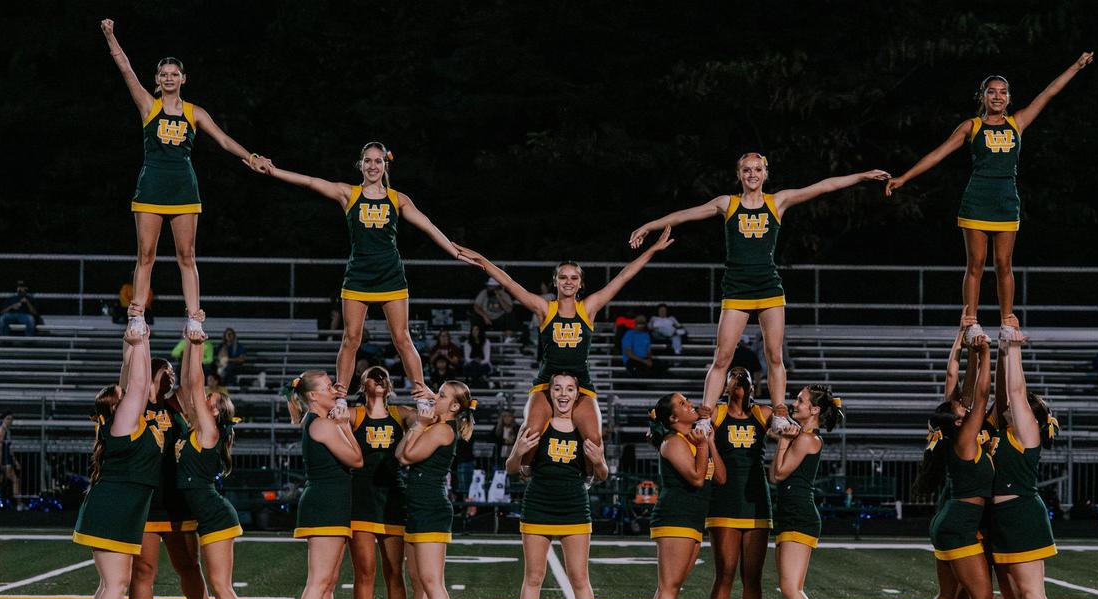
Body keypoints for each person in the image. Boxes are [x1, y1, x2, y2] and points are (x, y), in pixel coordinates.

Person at [630, 156, 890, 436]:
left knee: (774, 355)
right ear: (739, 174)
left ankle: (779, 413)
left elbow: (824, 186)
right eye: (746, 169)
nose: (752, 174)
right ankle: (705, 416)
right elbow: (685, 214)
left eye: (757, 169)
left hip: (768, 288)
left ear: (765, 173)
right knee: (722, 357)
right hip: (737, 289)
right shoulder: (726, 204)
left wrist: (862, 176)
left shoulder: (777, 201)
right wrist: (650, 225)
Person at [886, 53, 1095, 337]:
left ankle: (1007, 317)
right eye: (991, 92)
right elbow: (938, 153)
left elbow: (1049, 92)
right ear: (982, 97)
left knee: (1003, 264)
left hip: (1006, 202)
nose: (998, 96)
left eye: (1003, 92)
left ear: (1009, 98)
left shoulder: (1017, 123)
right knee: (976, 263)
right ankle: (970, 317)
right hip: (977, 201)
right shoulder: (971, 126)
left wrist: (1075, 66)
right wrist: (904, 178)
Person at [263, 142, 468, 418]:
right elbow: (311, 182)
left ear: (386, 165)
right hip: (358, 277)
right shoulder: (349, 194)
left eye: (378, 161)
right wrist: (274, 171)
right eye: (368, 161)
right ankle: (340, 396)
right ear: (361, 164)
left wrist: (454, 251)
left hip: (391, 276)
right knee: (351, 338)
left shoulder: (398, 199)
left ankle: (421, 394)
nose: (373, 166)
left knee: (402, 338)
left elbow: (428, 224)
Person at [456, 228, 674, 480]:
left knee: (594, 440)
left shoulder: (588, 308)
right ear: (555, 281)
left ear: (580, 283)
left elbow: (623, 277)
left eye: (573, 278)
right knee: (531, 432)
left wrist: (652, 250)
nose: (568, 281)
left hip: (581, 383)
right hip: (547, 381)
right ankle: (529, 474)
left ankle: (584, 479)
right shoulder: (544, 308)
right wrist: (481, 260)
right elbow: (508, 283)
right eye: (563, 277)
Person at [100, 19, 268, 340]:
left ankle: (194, 318)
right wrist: (110, 35)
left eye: (174, 73)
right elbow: (125, 68)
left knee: (186, 255)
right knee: (146, 254)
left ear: (183, 79)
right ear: (157, 80)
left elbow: (222, 139)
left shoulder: (195, 112)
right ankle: (136, 316)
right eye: (164, 74)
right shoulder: (148, 105)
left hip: (183, 188)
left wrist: (251, 157)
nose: (169, 77)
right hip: (151, 185)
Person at [911, 327, 1012, 599]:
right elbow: (981, 394)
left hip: (948, 521)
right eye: (961, 409)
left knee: (948, 593)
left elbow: (969, 393)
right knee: (982, 595)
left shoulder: (954, 438)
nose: (967, 409)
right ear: (958, 419)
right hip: (960, 523)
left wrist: (971, 350)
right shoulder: (965, 437)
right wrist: (985, 355)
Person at [506, 372, 608, 599]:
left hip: (575, 506)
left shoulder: (584, 427)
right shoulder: (537, 425)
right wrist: (518, 452)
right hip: (538, 504)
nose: (563, 394)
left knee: (579, 577)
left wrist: (600, 461)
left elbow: (602, 474)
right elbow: (512, 467)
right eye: (558, 389)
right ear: (548, 393)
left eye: (570, 389)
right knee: (533, 576)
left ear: (578, 394)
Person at [73, 325, 158, 599]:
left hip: (116, 508)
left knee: (109, 583)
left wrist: (141, 343)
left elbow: (135, 379)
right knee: (116, 583)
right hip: (114, 509)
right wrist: (138, 343)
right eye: (124, 399)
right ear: (117, 407)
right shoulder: (123, 424)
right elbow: (137, 384)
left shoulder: (120, 422)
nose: (131, 397)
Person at [129, 357, 216, 599]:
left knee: (189, 567)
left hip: (178, 500)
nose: (172, 375)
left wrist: (194, 341)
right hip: (147, 500)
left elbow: (193, 382)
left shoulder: (175, 404)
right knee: (143, 572)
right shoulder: (135, 404)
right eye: (167, 370)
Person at [986, 326, 1061, 599]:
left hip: (1023, 516)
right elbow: (1005, 391)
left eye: (1019, 408)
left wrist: (1013, 347)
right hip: (1002, 520)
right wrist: (1001, 351)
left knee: (1032, 591)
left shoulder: (1026, 433)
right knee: (1012, 595)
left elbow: (1015, 390)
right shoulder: (1004, 433)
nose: (1009, 407)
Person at [177, 333, 249, 599]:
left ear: (217, 413)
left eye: (213, 400)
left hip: (216, 517)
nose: (206, 399)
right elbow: (187, 384)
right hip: (208, 517)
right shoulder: (196, 429)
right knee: (218, 584)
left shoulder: (209, 431)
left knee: (221, 585)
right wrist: (189, 345)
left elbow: (194, 384)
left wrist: (195, 344)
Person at [396, 380, 476, 599]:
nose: (435, 398)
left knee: (432, 581)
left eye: (441, 396)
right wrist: (419, 424)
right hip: (418, 507)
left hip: (431, 508)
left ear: (454, 407)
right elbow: (399, 454)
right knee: (418, 580)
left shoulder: (442, 429)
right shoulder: (433, 426)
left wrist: (417, 425)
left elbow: (407, 456)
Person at [287, 369, 364, 599]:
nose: (335, 389)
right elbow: (356, 459)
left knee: (328, 581)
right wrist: (344, 426)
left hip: (330, 503)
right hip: (325, 504)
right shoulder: (322, 424)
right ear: (313, 396)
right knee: (319, 581)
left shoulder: (318, 422)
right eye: (328, 386)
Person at [646, 392, 727, 599]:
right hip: (675, 517)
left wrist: (709, 443)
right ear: (673, 418)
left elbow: (719, 477)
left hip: (692, 519)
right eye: (682, 404)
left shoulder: (691, 440)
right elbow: (695, 478)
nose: (689, 404)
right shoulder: (672, 442)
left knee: (671, 585)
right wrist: (702, 446)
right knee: (668, 585)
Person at [769, 384, 844, 599]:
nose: (794, 403)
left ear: (814, 410)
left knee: (791, 588)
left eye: (800, 401)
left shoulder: (806, 439)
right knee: (789, 586)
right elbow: (777, 473)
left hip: (800, 515)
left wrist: (782, 441)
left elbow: (777, 474)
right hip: (791, 514)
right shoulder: (802, 436)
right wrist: (785, 439)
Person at [347, 366, 415, 599]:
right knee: (365, 572)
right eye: (372, 376)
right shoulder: (354, 415)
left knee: (394, 572)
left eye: (383, 376)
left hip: (392, 499)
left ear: (389, 385)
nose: (378, 379)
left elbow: (429, 417)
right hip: (361, 499)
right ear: (363, 384)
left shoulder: (401, 413)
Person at [705, 368, 771, 599]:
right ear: (725, 385)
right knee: (726, 573)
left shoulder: (763, 414)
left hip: (757, 501)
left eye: (745, 376)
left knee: (753, 577)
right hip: (725, 500)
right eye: (734, 376)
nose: (741, 379)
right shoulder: (716, 414)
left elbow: (792, 427)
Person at [0, 412, 21, 508]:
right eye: (8, 418)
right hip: (3, 460)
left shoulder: (6, 431)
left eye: (11, 419)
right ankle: (18, 504)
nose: (10, 421)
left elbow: (9, 448)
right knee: (14, 480)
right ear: (3, 419)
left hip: (5, 459)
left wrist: (15, 461)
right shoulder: (2, 430)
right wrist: (0, 462)